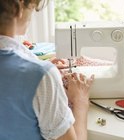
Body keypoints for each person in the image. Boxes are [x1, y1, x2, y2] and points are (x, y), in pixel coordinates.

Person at [0, 0, 94, 140]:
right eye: (33, 7)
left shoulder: (37, 71)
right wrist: (81, 101)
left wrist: (35, 64)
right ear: (17, 7)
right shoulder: (40, 74)